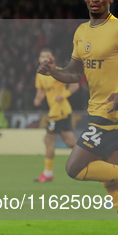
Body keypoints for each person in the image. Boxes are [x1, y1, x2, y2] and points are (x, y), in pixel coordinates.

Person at [37, 0, 118, 235]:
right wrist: (54, 71)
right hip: (98, 110)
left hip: (114, 114)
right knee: (112, 181)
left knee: (74, 167)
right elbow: (75, 74)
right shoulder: (81, 32)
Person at [33, 48, 79, 183]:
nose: (45, 58)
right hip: (58, 110)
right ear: (39, 60)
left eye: (48, 55)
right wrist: (38, 99)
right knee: (70, 142)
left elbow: (75, 85)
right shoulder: (40, 74)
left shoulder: (57, 71)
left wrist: (63, 95)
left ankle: (48, 173)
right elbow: (41, 89)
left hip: (59, 111)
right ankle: (94, 154)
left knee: (48, 139)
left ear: (52, 58)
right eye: (43, 56)